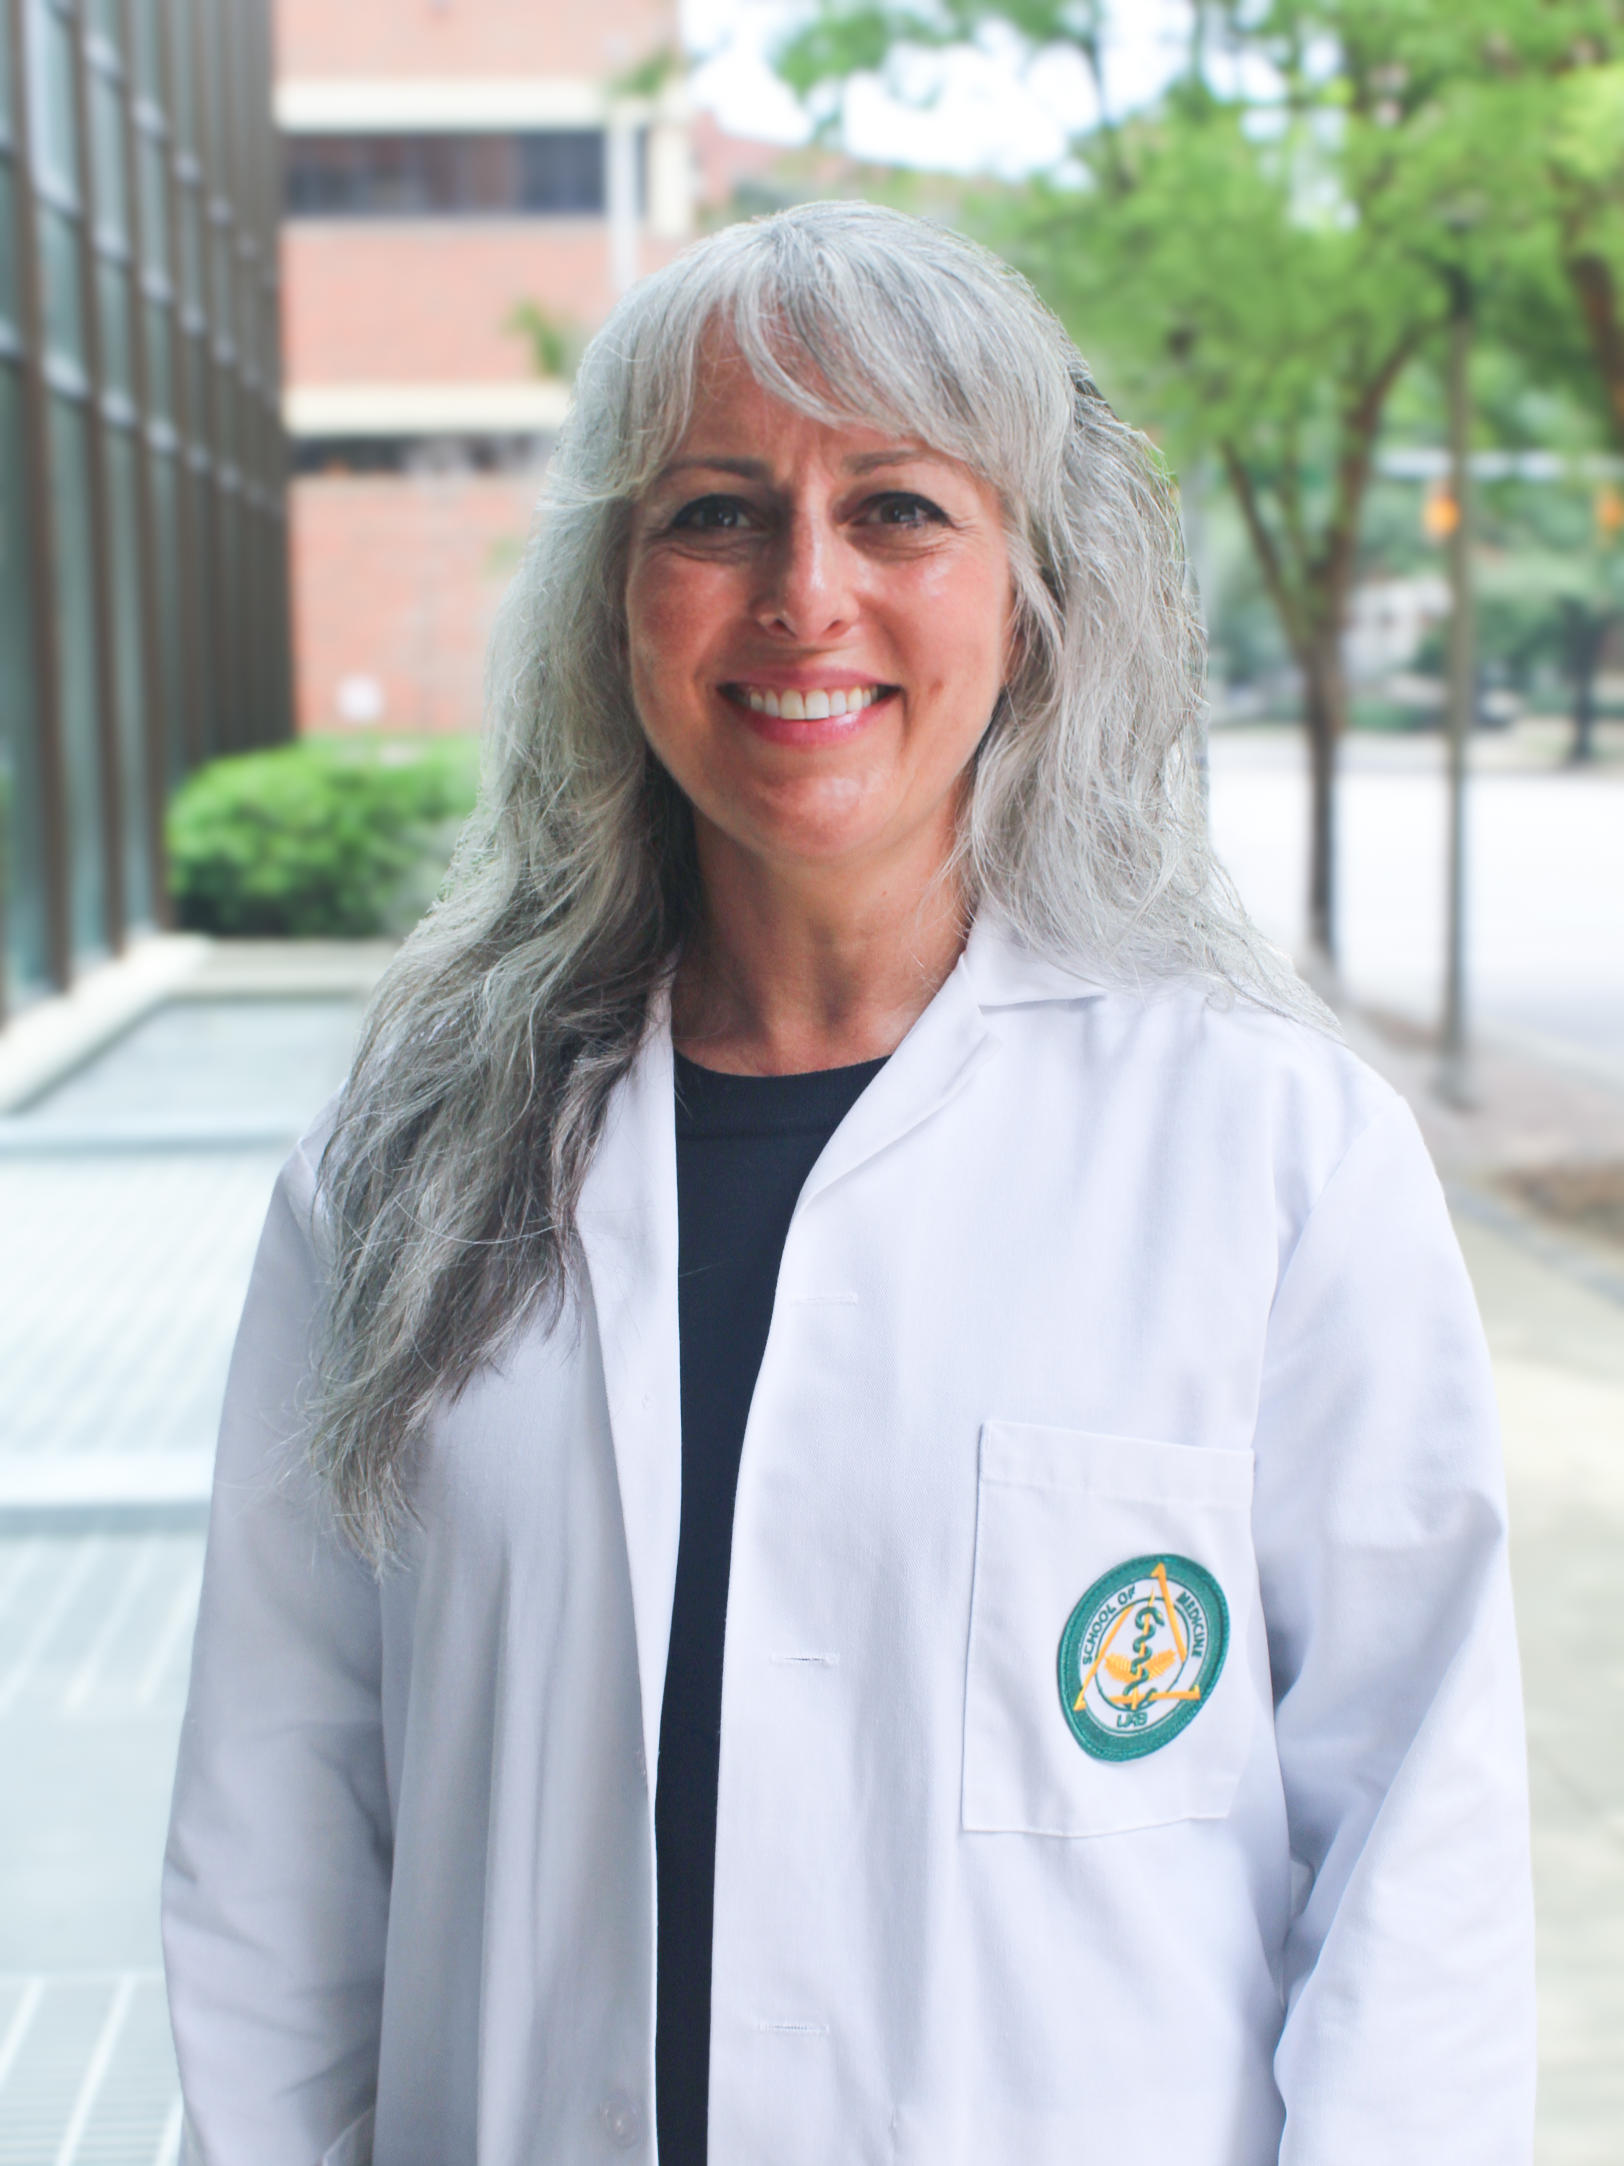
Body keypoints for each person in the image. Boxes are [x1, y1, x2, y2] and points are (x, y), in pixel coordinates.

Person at [162, 201, 1533, 2166]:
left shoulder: (1268, 1154)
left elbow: (1420, 1848)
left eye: (896, 508)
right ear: (612, 600)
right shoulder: (399, 1171)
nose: (803, 593)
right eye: (714, 514)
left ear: (1032, 594)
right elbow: (276, 1836)